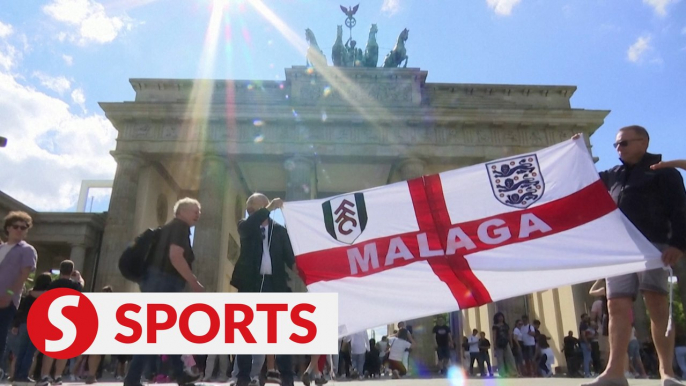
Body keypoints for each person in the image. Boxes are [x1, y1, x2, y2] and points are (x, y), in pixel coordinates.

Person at [574, 126, 686, 386]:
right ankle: (614, 372)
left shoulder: (663, 172)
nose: (618, 149)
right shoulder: (613, 175)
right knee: (616, 307)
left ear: (643, 142)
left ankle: (667, 372)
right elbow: (581, 179)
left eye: (623, 143)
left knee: (657, 307)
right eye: (615, 145)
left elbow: (680, 209)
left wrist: (678, 245)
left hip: (653, 245)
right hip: (620, 250)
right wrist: (575, 151)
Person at [124, 198, 204, 386]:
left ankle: (179, 374)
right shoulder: (179, 227)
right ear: (182, 211)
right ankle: (133, 379)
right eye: (195, 210)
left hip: (154, 281)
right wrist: (193, 282)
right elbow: (175, 256)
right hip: (165, 283)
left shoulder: (167, 229)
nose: (198, 214)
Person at [230, 193, 295, 386]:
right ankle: (243, 377)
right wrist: (268, 208)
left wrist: (307, 273)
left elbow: (290, 259)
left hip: (275, 286)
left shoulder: (280, 232)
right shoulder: (246, 226)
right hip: (250, 285)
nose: (249, 211)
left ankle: (286, 378)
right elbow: (249, 225)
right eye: (248, 208)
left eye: (253, 207)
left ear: (263, 207)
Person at [0, 211, 37, 382]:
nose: (20, 230)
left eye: (24, 228)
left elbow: (23, 275)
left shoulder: (27, 250)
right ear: (8, 228)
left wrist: (8, 294)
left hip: (6, 298)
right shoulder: (1, 248)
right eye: (16, 226)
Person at [36, 261, 85, 386]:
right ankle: (58, 376)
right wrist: (79, 277)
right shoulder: (75, 285)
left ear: (60, 270)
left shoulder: (53, 284)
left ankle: (45, 375)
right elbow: (81, 287)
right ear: (71, 270)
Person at [9, 272, 51, 384]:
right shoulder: (47, 295)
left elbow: (21, 310)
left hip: (24, 324)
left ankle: (17, 375)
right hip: (37, 324)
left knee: (21, 351)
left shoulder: (29, 295)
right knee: (30, 352)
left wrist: (16, 325)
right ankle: (23, 375)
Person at [492, 312, 517, 377]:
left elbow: (509, 334)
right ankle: (502, 373)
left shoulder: (506, 325)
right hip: (499, 343)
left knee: (510, 357)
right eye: (499, 317)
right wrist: (494, 344)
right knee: (500, 359)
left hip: (506, 343)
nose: (501, 318)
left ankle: (513, 372)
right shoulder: (495, 326)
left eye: (501, 316)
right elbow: (494, 336)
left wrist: (511, 342)